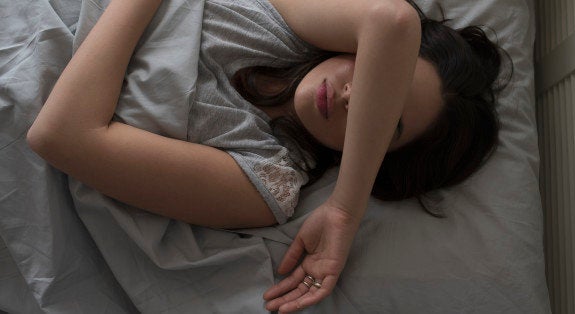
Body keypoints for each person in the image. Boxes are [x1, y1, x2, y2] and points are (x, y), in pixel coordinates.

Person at [26, 0, 509, 312]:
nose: (352, 98)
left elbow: (60, 135)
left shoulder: (266, 177)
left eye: (388, 123)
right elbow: (393, 20)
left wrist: (342, 209)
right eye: (380, 79)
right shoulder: (285, 18)